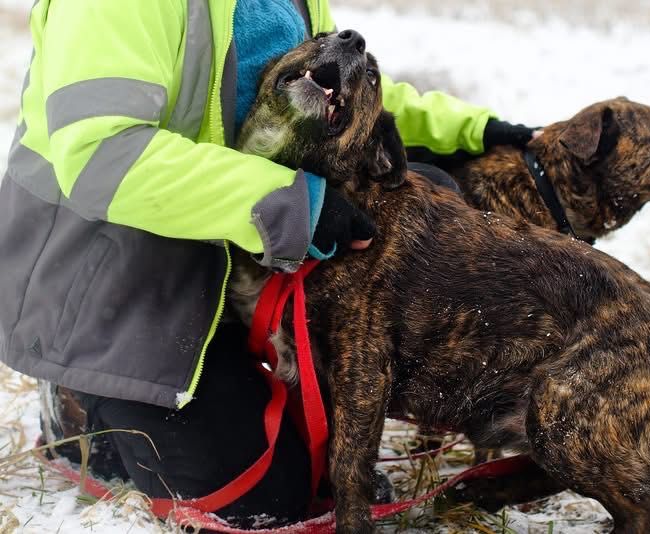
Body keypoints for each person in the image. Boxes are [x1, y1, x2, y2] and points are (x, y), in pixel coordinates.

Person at [0, 0, 534, 527]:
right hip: (114, 278)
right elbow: (100, 154)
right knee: (262, 502)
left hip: (214, 253)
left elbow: (333, 82)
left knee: (428, 189)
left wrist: (470, 129)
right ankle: (78, 398)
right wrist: (291, 204)